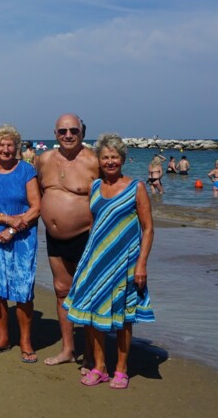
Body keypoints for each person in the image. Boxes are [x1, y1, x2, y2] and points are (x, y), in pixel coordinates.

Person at [64, 133, 155, 390]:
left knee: (124, 318)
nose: (110, 161)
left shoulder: (136, 187)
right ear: (99, 161)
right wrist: (87, 261)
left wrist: (142, 264)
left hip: (125, 263)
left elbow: (148, 229)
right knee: (93, 317)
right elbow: (95, 226)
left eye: (115, 157)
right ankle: (100, 367)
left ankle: (121, 369)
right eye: (105, 157)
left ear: (122, 159)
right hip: (96, 261)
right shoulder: (95, 187)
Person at [35, 114, 100, 367]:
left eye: (74, 130)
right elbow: (40, 190)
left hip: (86, 236)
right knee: (62, 290)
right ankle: (68, 349)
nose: (68, 135)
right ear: (55, 134)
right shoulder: (44, 160)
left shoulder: (93, 161)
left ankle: (94, 353)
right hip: (54, 238)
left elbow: (110, 194)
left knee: (89, 293)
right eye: (63, 131)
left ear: (82, 132)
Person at [0, 124, 41, 363]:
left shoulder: (26, 170)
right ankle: (3, 337)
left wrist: (12, 228)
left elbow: (36, 207)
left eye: (10, 144)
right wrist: (4, 219)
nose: (6, 149)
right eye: (1, 144)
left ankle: (25, 341)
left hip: (22, 238)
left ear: (16, 147)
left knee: (23, 290)